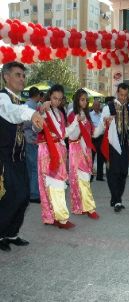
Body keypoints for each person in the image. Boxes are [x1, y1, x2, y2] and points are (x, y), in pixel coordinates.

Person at [0, 62, 44, 252]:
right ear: (6, 77)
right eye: (18, 75)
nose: (22, 79)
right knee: (10, 196)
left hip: (19, 156)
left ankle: (12, 233)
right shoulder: (3, 98)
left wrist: (36, 124)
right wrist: (31, 113)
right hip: (4, 157)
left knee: (24, 196)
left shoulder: (19, 100)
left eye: (23, 75)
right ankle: (1, 234)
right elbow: (12, 114)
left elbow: (24, 123)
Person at [93, 83, 129, 212]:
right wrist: (95, 133)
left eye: (125, 95)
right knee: (113, 172)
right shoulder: (109, 107)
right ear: (117, 93)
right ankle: (117, 200)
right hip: (112, 143)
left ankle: (115, 198)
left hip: (124, 143)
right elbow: (102, 125)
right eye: (121, 95)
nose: (123, 97)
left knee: (123, 172)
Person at [37, 84, 75, 229]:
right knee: (53, 184)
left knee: (54, 184)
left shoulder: (59, 112)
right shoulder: (43, 109)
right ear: (49, 96)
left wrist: (76, 122)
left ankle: (53, 216)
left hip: (59, 149)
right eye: (54, 98)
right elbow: (36, 127)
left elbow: (63, 134)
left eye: (59, 99)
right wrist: (41, 110)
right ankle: (60, 218)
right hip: (47, 150)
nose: (57, 101)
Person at [67, 89, 99, 219]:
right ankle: (89, 208)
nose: (85, 102)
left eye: (86, 99)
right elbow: (71, 136)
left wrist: (104, 125)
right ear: (77, 101)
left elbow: (93, 134)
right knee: (83, 179)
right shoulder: (72, 115)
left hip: (86, 151)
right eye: (82, 99)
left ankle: (82, 206)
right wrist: (76, 122)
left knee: (83, 179)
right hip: (76, 150)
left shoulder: (88, 115)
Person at [23, 86, 41, 203]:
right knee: (35, 167)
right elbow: (37, 127)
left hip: (24, 138)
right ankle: (34, 194)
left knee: (29, 167)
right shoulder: (34, 107)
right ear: (37, 95)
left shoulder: (24, 105)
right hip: (32, 139)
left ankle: (29, 191)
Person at [90, 99, 105, 181]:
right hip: (93, 138)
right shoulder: (89, 114)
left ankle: (100, 176)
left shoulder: (102, 115)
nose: (97, 107)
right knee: (91, 157)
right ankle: (90, 176)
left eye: (98, 105)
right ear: (93, 106)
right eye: (95, 105)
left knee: (101, 157)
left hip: (101, 138)